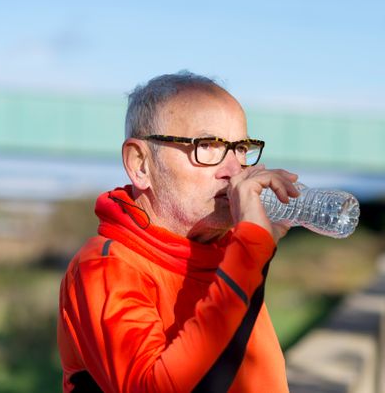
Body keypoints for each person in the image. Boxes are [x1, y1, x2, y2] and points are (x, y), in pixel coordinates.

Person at [57, 71, 300, 392]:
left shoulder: (226, 253)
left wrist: (253, 249)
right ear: (140, 164)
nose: (233, 171)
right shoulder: (106, 267)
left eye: (240, 149)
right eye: (208, 146)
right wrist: (250, 251)